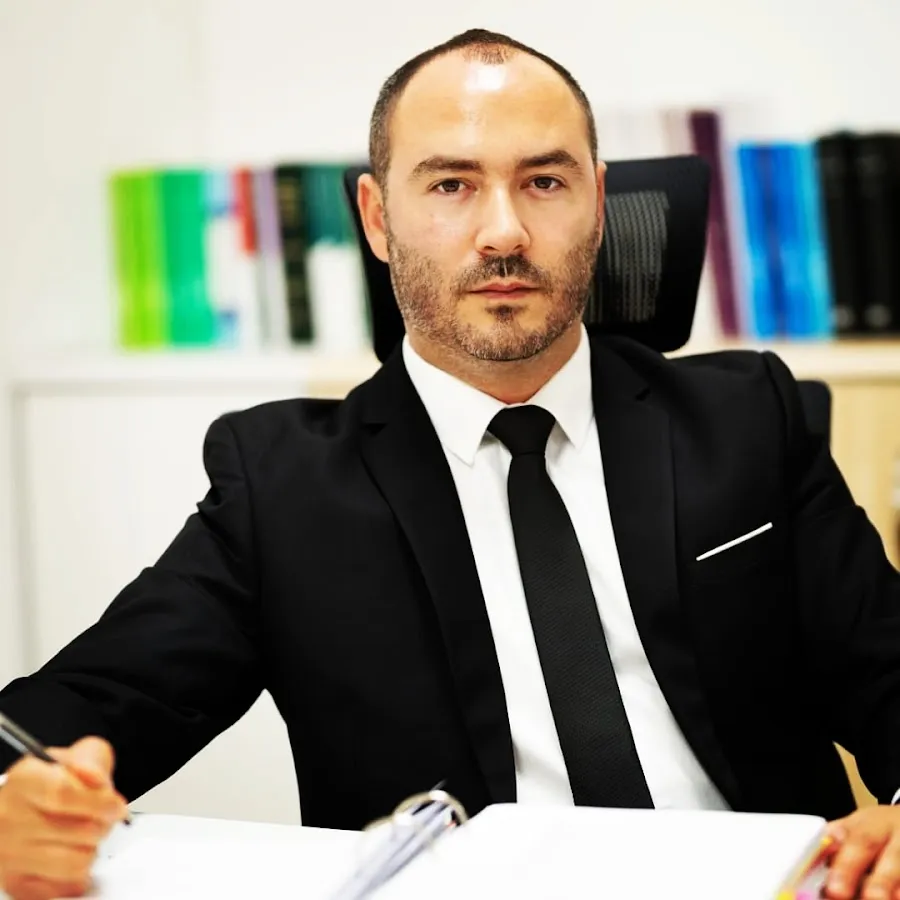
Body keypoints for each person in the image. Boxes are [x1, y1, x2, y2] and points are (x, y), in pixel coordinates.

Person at [1, 26, 899, 900]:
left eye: (544, 181)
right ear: (377, 218)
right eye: (452, 185)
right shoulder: (281, 486)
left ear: (598, 203)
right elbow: (85, 705)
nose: (503, 232)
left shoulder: (747, 419)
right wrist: (18, 797)